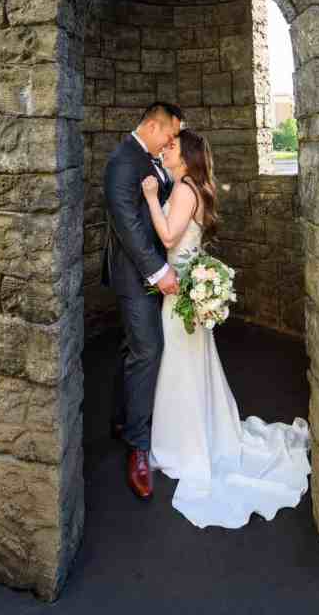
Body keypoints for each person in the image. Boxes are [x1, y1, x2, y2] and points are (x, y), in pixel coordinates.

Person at [141, 128, 312, 529]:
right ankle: (198, 433)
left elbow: (168, 236)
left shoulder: (183, 190)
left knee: (180, 368)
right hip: (185, 289)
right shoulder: (195, 186)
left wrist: (151, 198)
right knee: (190, 365)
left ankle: (182, 445)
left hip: (178, 291)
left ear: (186, 156)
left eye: (172, 147)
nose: (166, 150)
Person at [101, 101, 183, 501]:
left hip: (150, 269)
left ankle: (120, 418)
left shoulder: (148, 159)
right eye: (170, 135)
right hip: (136, 276)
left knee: (133, 347)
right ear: (152, 125)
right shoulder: (122, 161)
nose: (172, 142)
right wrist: (160, 272)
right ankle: (138, 447)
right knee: (148, 350)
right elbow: (128, 225)